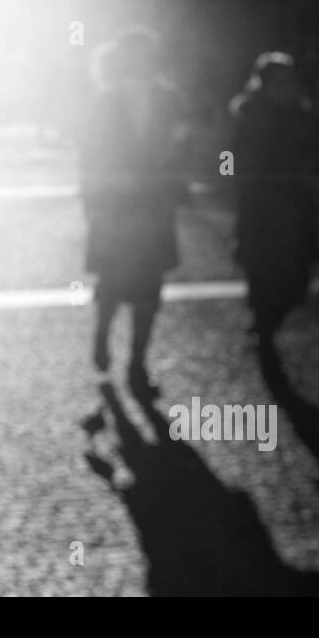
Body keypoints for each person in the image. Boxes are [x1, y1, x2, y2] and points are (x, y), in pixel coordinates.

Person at [81, 26, 189, 402]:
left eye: (147, 53)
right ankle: (102, 335)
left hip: (153, 204)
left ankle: (137, 362)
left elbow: (178, 146)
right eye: (135, 53)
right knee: (113, 283)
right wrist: (94, 199)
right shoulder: (104, 99)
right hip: (116, 204)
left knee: (150, 289)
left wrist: (176, 182)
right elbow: (90, 153)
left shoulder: (168, 98)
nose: (142, 60)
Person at [229, 52, 319, 343]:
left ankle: (272, 314)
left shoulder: (302, 113)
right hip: (260, 201)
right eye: (277, 82)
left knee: (296, 271)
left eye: (287, 81)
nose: (284, 88)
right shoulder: (249, 112)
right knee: (262, 263)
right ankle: (262, 318)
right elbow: (231, 152)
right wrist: (235, 176)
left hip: (295, 201)